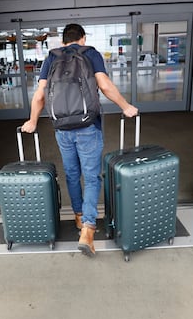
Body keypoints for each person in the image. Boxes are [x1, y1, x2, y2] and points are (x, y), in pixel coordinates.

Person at [21, 23, 138, 257]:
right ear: (82, 38)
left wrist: (32, 121)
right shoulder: (90, 53)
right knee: (92, 177)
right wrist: (126, 107)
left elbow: (40, 95)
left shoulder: (51, 58)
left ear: (64, 40)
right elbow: (104, 85)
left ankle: (77, 217)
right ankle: (88, 228)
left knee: (73, 175)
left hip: (62, 128)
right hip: (88, 126)